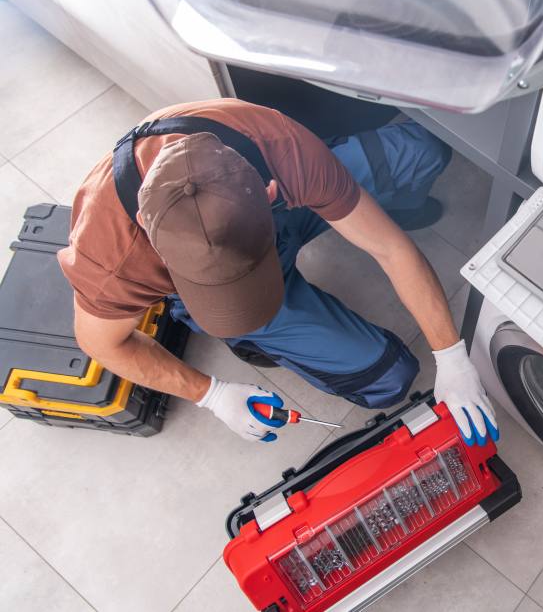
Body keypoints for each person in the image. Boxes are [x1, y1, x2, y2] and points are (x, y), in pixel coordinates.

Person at [57, 98, 497, 445]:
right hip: (233, 235)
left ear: (270, 192)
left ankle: (372, 209)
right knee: (388, 379)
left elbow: (390, 248)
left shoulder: (279, 148)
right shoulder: (112, 258)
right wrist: (211, 395)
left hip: (281, 210)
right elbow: (102, 345)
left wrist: (451, 356)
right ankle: (249, 335)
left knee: (422, 149)